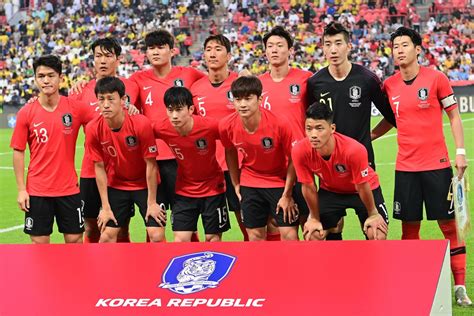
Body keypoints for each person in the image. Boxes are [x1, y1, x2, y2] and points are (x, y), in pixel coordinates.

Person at [378, 27, 471, 306]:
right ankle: (413, 282)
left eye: (405, 45)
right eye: (395, 46)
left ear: (418, 49)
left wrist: (461, 152)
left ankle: (460, 288)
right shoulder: (389, 85)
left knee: (448, 227)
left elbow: (454, 116)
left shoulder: (436, 78)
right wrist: (369, 135)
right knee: (409, 228)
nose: (399, 50)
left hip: (437, 165)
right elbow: (390, 119)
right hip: (405, 168)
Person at [306, 22, 396, 240]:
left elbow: (391, 117)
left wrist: (371, 135)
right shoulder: (315, 83)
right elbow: (309, 123)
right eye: (328, 44)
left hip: (363, 172)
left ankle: (374, 273)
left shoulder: (366, 79)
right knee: (316, 234)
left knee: (377, 232)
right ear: (323, 48)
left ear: (349, 46)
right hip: (329, 177)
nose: (333, 49)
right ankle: (334, 273)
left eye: (338, 43)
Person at [129, 30, 205, 241]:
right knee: (154, 230)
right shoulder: (138, 79)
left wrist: (242, 76)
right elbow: (120, 97)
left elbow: (213, 85)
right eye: (151, 48)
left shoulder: (189, 74)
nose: (155, 52)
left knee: (189, 230)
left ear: (172, 50)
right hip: (151, 162)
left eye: (161, 47)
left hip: (183, 161)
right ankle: (154, 271)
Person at [10, 55, 95, 244]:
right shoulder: (26, 112)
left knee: (74, 240)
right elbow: (18, 150)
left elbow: (101, 121)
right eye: (41, 76)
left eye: (51, 75)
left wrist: (128, 109)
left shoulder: (75, 107)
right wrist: (21, 189)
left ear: (60, 78)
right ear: (35, 79)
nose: (46, 80)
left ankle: (73, 275)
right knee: (40, 244)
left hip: (69, 189)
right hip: (38, 191)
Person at [69, 37, 139, 243]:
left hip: (121, 172)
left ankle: (126, 270)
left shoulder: (132, 87)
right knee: (90, 228)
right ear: (92, 60)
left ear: (118, 59)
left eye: (108, 56)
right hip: (91, 171)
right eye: (98, 56)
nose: (102, 61)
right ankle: (92, 272)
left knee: (121, 227)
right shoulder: (80, 91)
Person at [85, 77, 166, 243]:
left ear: (123, 100)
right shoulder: (93, 128)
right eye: (101, 99)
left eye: (110, 99)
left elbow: (151, 165)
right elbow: (99, 167)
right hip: (117, 185)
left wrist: (151, 203)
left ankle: (155, 268)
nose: (105, 104)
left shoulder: (140, 123)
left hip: (144, 185)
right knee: (106, 236)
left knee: (156, 235)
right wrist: (105, 207)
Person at [292, 102, 389, 241]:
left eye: (319, 128)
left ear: (332, 128)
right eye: (309, 128)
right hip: (332, 191)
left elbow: (362, 185)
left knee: (377, 234)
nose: (313, 134)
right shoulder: (300, 151)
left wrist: (373, 214)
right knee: (313, 234)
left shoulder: (354, 150)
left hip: (362, 189)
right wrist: (313, 217)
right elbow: (308, 186)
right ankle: (333, 255)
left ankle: (371, 261)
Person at [219, 76, 299, 241]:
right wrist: (236, 184)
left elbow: (293, 159)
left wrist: (287, 194)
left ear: (260, 99)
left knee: (289, 235)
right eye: (238, 99)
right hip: (250, 180)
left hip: (279, 181)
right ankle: (260, 267)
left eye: (248, 99)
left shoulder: (280, 123)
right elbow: (230, 152)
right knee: (254, 235)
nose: (242, 104)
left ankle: (290, 267)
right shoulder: (226, 125)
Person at [190, 34, 247, 241]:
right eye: (209, 49)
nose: (212, 54)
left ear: (229, 55)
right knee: (212, 231)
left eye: (218, 49)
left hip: (240, 163)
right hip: (208, 166)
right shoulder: (195, 89)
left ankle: (257, 265)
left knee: (249, 223)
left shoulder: (241, 84)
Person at [154, 86, 230, 242]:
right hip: (184, 190)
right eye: (170, 110)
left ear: (191, 109)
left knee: (212, 238)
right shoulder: (161, 128)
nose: (174, 116)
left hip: (213, 189)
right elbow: (137, 130)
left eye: (179, 110)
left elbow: (232, 137)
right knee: (180, 240)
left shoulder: (210, 126)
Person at [259, 26, 313, 239]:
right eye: (270, 46)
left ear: (290, 50)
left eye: (280, 45)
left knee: (306, 219)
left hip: (301, 161)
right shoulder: (258, 84)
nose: (274, 50)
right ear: (264, 51)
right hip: (270, 163)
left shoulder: (306, 79)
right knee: (275, 222)